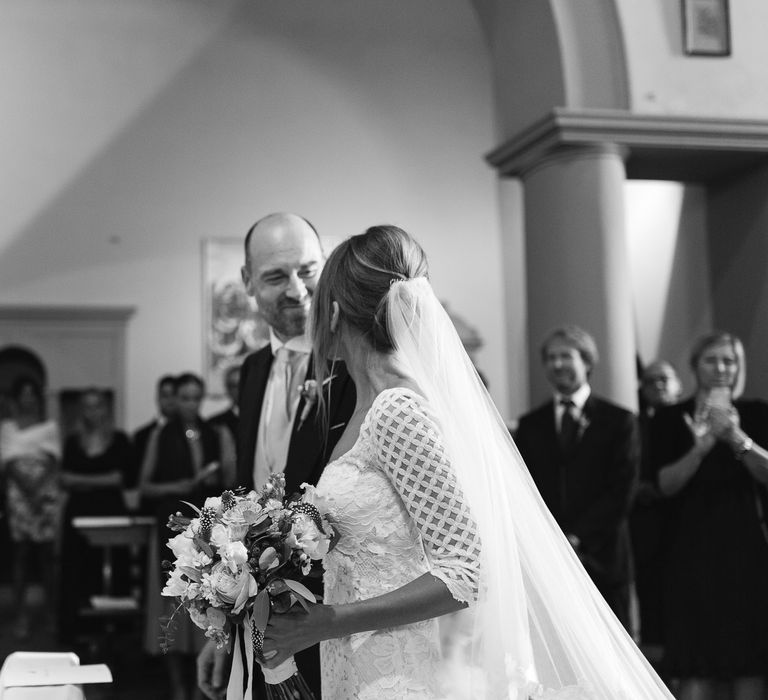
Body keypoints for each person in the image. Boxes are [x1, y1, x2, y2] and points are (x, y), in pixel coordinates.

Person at [254, 225, 672, 698]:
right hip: (354, 660)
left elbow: (467, 571)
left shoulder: (397, 411)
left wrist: (329, 622)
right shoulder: (361, 407)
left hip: (402, 672)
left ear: (331, 312)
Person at [197, 213, 355, 700]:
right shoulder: (252, 369)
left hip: (340, 622)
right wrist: (227, 623)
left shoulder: (355, 364)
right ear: (246, 281)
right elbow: (250, 501)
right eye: (274, 276)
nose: (297, 289)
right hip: (262, 627)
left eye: (308, 270)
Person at [647, 332, 768, 700]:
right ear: (695, 366)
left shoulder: (758, 411)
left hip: (746, 550)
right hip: (688, 550)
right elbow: (664, 485)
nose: (721, 369)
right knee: (694, 664)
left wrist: (735, 436)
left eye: (729, 361)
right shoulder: (669, 418)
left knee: (748, 662)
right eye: (711, 360)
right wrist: (700, 448)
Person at [513, 326, 639, 629]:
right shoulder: (531, 425)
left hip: (604, 554)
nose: (557, 365)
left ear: (587, 362)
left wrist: (578, 537)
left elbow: (623, 488)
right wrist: (552, 539)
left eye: (566, 356)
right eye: (551, 358)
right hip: (549, 556)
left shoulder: (619, 420)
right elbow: (525, 489)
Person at [140, 372, 223, 700]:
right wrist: (181, 487)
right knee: (171, 602)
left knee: (206, 598)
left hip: (203, 527)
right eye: (184, 397)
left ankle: (200, 682)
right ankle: (177, 686)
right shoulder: (162, 435)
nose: (189, 403)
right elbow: (145, 485)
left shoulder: (214, 433)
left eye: (195, 397)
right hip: (169, 523)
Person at [58, 387, 136, 644]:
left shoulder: (120, 439)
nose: (93, 412)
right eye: (87, 406)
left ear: (106, 408)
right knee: (76, 570)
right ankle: (79, 631)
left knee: (114, 571)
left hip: (111, 514)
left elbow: (121, 479)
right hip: (78, 516)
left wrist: (83, 480)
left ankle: (115, 629)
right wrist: (102, 479)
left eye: (97, 406)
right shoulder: (72, 441)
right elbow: (64, 479)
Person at [0, 375, 61, 640]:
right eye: (22, 394)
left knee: (47, 557)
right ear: (16, 398)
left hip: (44, 493)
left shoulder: (49, 426)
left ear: (38, 397)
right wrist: (26, 487)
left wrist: (38, 489)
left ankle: (51, 614)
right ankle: (20, 615)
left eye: (31, 393)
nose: (27, 398)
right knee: (21, 556)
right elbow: (8, 460)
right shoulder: (8, 428)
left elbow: (52, 458)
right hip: (19, 496)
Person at [630, 360, 683, 659]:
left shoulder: (690, 420)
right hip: (646, 525)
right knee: (651, 602)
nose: (658, 385)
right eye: (650, 381)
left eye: (665, 379)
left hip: (681, 521)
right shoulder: (637, 424)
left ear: (678, 384)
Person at [133, 374, 178, 487]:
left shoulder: (189, 431)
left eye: (174, 395)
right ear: (158, 397)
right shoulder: (142, 435)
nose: (170, 400)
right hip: (153, 500)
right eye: (165, 395)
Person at [208, 364, 240, 489]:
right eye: (233, 386)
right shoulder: (215, 422)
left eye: (242, 384)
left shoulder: (261, 420)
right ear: (227, 388)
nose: (238, 390)